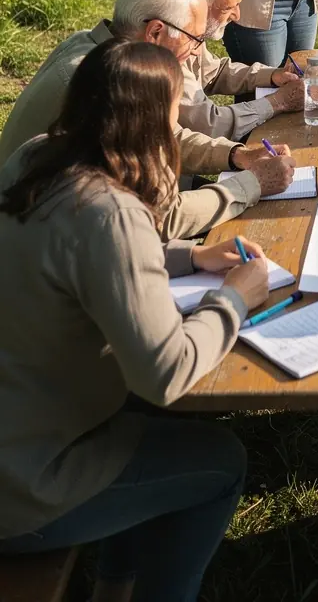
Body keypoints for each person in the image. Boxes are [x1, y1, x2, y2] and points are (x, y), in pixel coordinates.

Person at [0, 39, 269, 601]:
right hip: (24, 489)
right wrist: (236, 299)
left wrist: (187, 257)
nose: (177, 130)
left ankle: (113, 586)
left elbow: (72, 254)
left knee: (146, 428)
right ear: (149, 122)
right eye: (174, 116)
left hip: (23, 426)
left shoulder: (35, 158)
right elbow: (164, 374)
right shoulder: (111, 211)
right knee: (222, 463)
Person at [0, 0, 294, 236]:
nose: (195, 53)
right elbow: (162, 216)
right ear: (155, 31)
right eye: (195, 39)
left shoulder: (90, 46)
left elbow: (166, 138)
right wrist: (253, 183)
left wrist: (235, 155)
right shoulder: (113, 87)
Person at [178, 0, 305, 139]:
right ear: (197, 2)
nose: (237, 16)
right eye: (228, 7)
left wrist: (272, 76)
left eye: (239, 4)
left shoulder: (187, 27)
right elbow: (209, 125)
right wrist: (278, 102)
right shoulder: (169, 43)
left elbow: (213, 73)